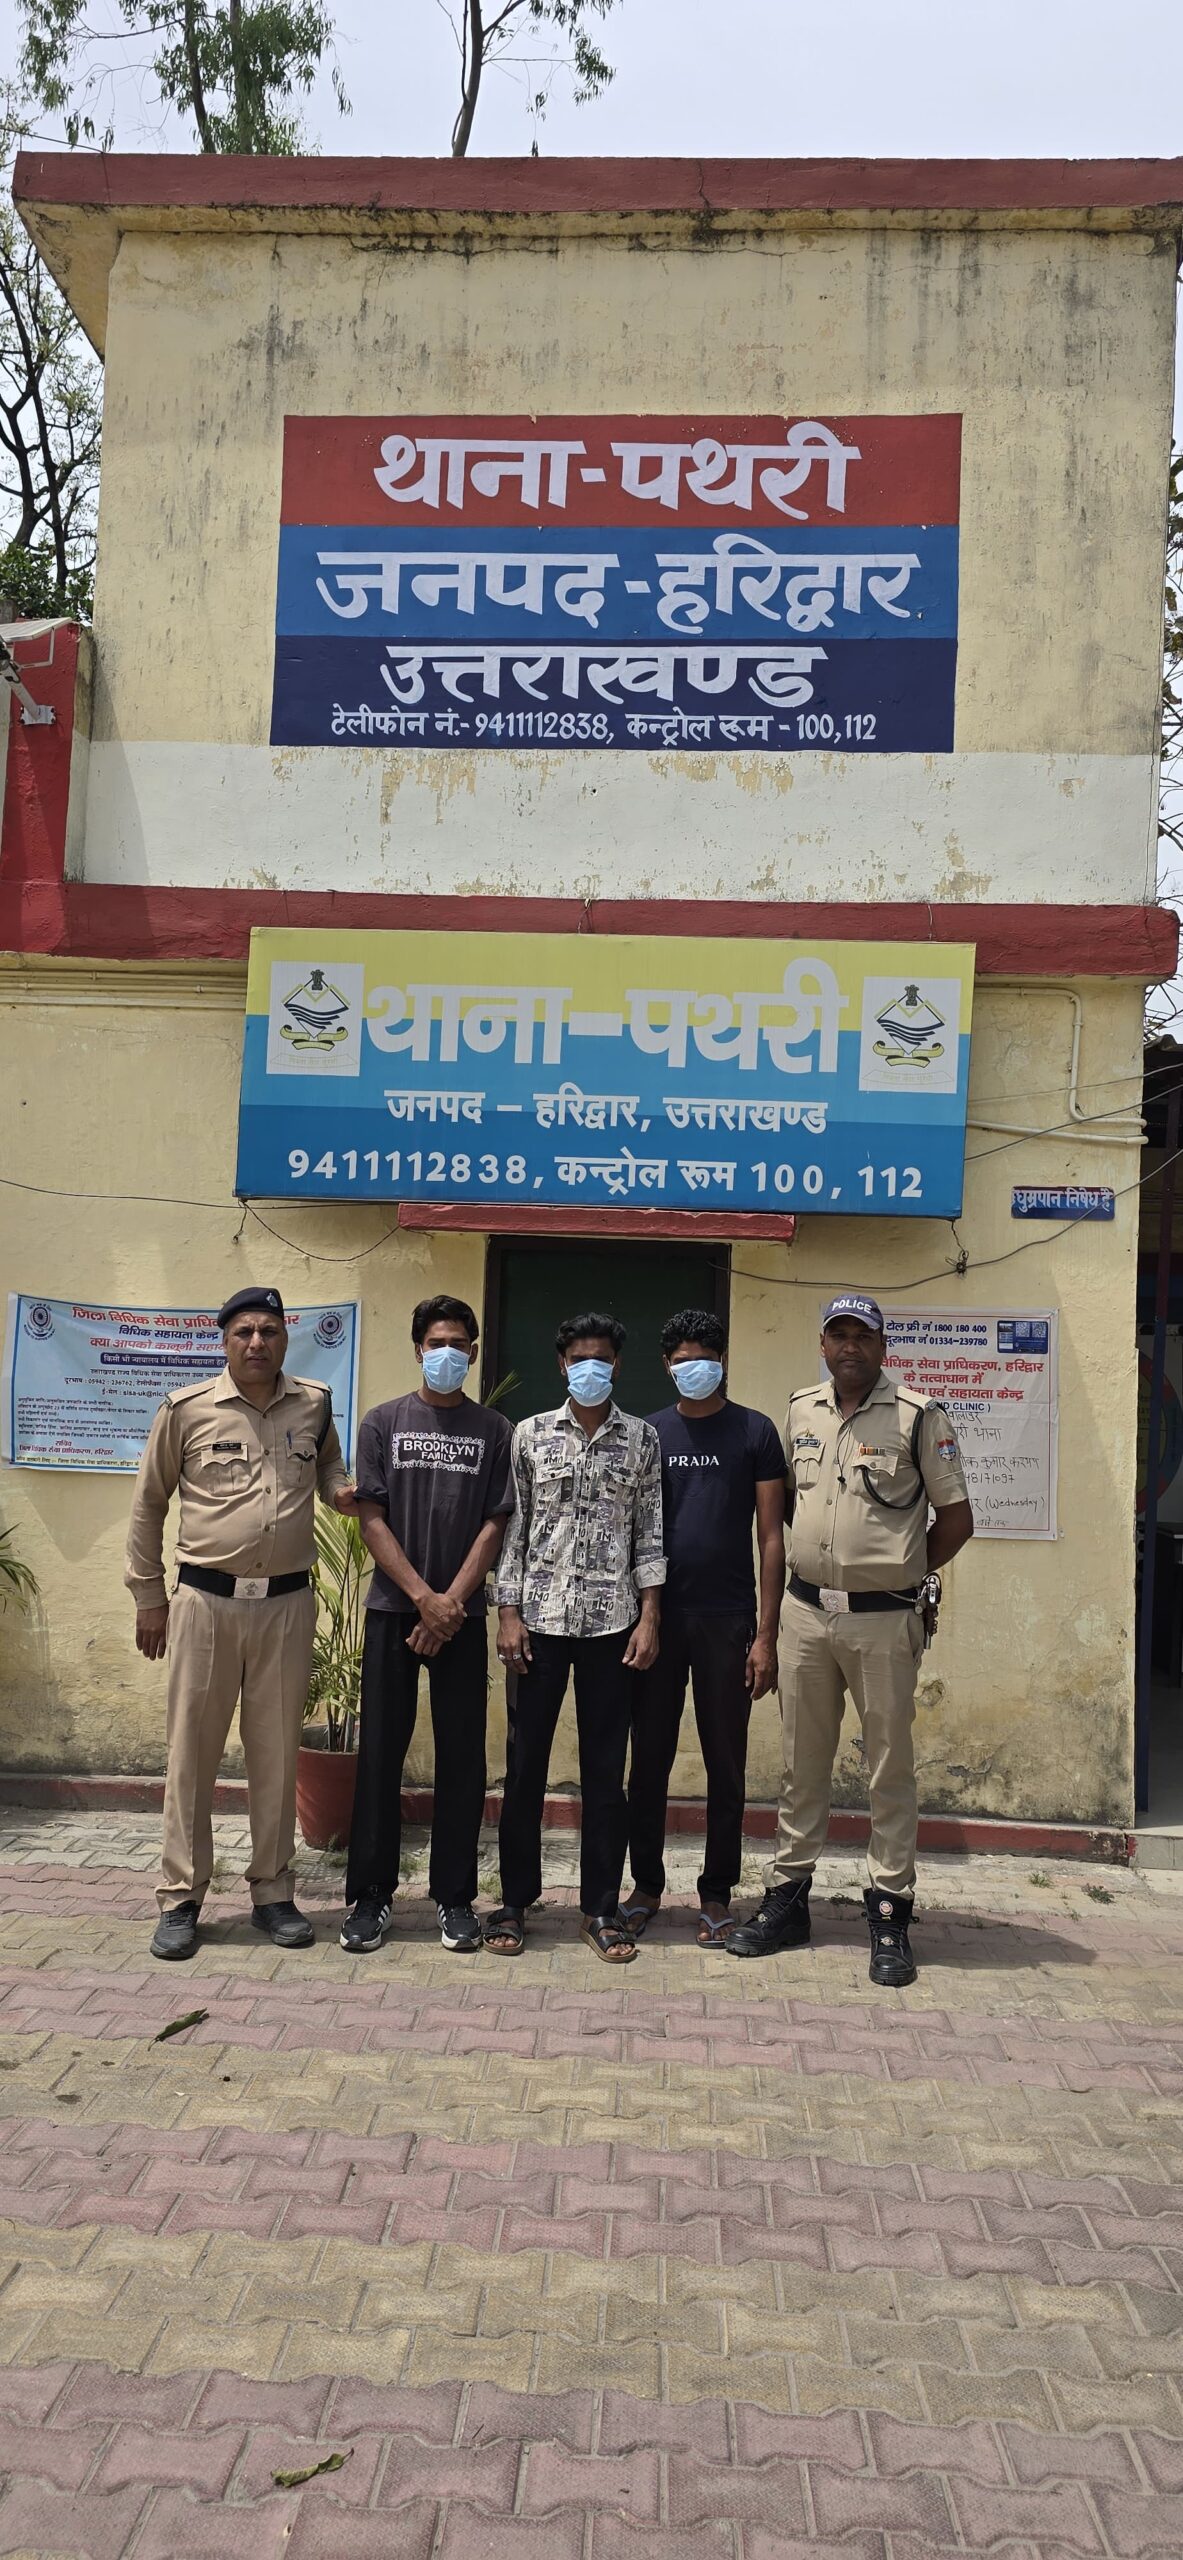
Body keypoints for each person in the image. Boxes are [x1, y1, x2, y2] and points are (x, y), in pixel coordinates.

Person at [729, 1293, 973, 1986]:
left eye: (862, 1336)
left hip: (883, 1621)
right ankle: (788, 1899)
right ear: (823, 1345)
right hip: (806, 1615)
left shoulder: (918, 1416)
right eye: (837, 1335)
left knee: (887, 1769)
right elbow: (784, 1513)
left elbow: (956, 1519)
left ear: (882, 1347)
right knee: (800, 1763)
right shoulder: (800, 1410)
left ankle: (890, 1911)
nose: (849, 1347)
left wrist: (902, 1572)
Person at [125, 1286, 357, 1960]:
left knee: (276, 1753)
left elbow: (330, 1465)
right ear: (224, 1340)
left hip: (286, 1605)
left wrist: (341, 1492)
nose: (257, 1342)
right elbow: (148, 1504)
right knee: (191, 1755)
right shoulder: (186, 1409)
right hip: (205, 1604)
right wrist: (149, 1597)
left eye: (270, 1331)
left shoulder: (313, 1403)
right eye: (244, 1332)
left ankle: (272, 1893)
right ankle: (181, 1897)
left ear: (285, 1338)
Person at [487, 1313, 665, 1964]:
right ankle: (514, 1901)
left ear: (616, 1365)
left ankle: (600, 1909)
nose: (590, 1367)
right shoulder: (528, 1434)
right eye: (578, 1357)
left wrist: (650, 1616)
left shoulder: (642, 1439)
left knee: (605, 1775)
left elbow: (649, 1531)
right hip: (537, 1623)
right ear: (561, 1364)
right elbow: (513, 1530)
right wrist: (507, 1612)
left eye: (601, 1358)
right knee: (525, 1768)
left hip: (612, 1624)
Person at [341, 1295, 514, 1956]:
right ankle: (371, 1896)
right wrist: (422, 1598)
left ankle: (455, 1898)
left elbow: (496, 1522)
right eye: (436, 1343)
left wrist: (450, 1604)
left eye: (458, 1344)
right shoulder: (383, 1422)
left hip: (461, 1617)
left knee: (461, 1758)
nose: (447, 1354)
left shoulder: (494, 1429)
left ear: (473, 1351)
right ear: (418, 1348)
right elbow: (371, 1517)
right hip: (395, 1611)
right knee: (380, 1753)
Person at [622, 1308, 785, 1948]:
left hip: (729, 1620)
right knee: (649, 1759)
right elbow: (635, 1530)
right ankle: (645, 1886)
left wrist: (766, 1635)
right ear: (667, 1366)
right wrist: (645, 1615)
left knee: (726, 1761)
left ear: (723, 1362)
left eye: (707, 1358)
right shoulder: (649, 1433)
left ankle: (717, 1892)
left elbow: (770, 1537)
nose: (696, 1368)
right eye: (684, 1359)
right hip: (657, 1620)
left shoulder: (755, 1431)